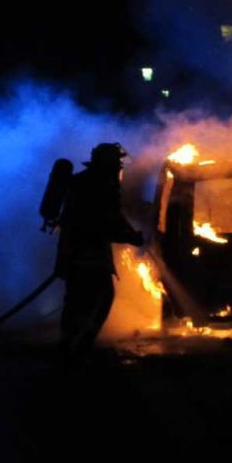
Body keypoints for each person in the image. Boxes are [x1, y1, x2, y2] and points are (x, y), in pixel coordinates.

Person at [55, 142, 143, 363]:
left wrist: (131, 233)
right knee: (101, 298)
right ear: (108, 163)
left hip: (75, 253)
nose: (119, 167)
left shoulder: (85, 182)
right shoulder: (99, 186)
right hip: (87, 254)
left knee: (77, 301)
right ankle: (79, 347)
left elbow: (114, 218)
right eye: (116, 163)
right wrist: (131, 238)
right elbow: (104, 223)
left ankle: (70, 346)